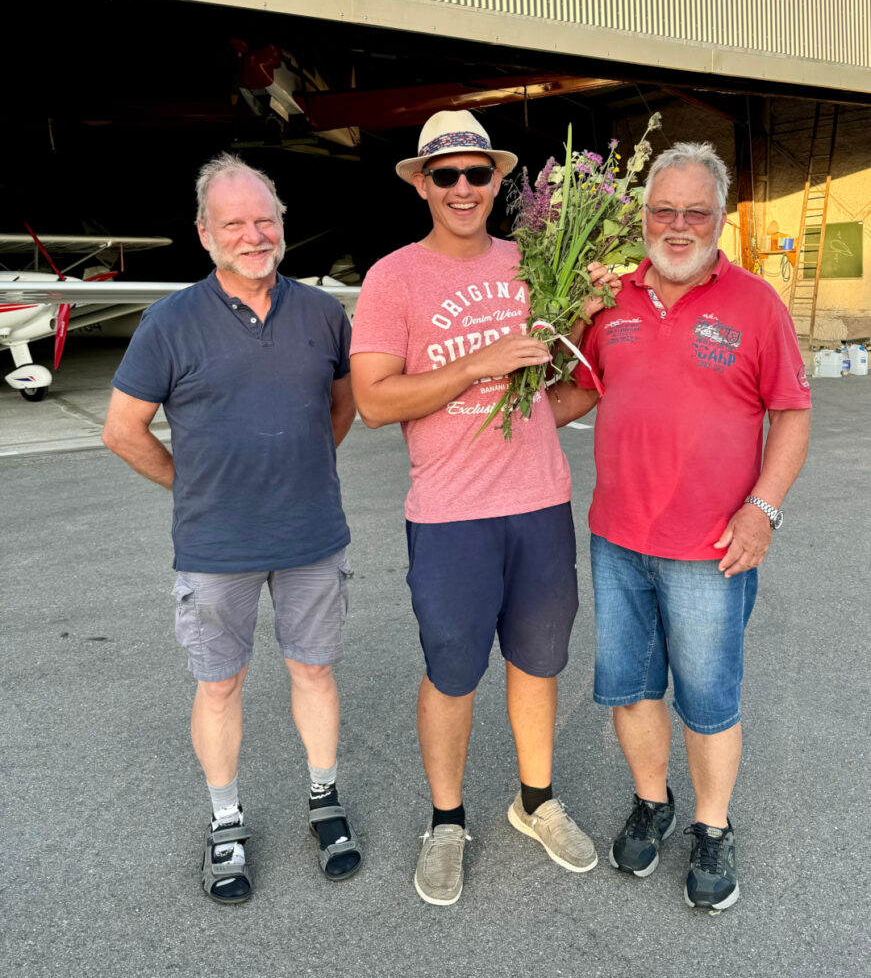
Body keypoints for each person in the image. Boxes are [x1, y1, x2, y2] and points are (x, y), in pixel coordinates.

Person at [350, 109, 616, 906]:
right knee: (453, 673)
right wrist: (479, 363)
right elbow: (371, 401)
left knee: (538, 665)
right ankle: (445, 822)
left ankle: (533, 802)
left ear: (500, 181)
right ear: (422, 185)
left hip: (538, 505)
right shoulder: (393, 277)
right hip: (450, 515)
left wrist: (592, 327)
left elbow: (552, 388)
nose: (462, 188)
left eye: (476, 173)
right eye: (445, 175)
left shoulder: (534, 261)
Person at [549, 141, 812, 910]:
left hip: (710, 548)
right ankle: (652, 801)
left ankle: (710, 825)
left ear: (719, 220)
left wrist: (761, 509)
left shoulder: (755, 304)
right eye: (662, 210)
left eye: (695, 212)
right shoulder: (609, 300)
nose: (676, 225)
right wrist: (496, 405)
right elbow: (576, 393)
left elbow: (791, 413)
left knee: (706, 699)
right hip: (617, 538)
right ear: (643, 215)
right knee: (632, 692)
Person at [102, 153, 361, 903]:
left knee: (313, 668)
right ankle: (225, 821)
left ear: (282, 226)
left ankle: (324, 799)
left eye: (265, 220)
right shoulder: (170, 322)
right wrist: (195, 486)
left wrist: (305, 467)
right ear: (204, 232)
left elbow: (340, 407)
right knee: (220, 685)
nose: (253, 235)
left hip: (313, 533)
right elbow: (123, 430)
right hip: (217, 546)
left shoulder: (322, 312)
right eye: (235, 223)